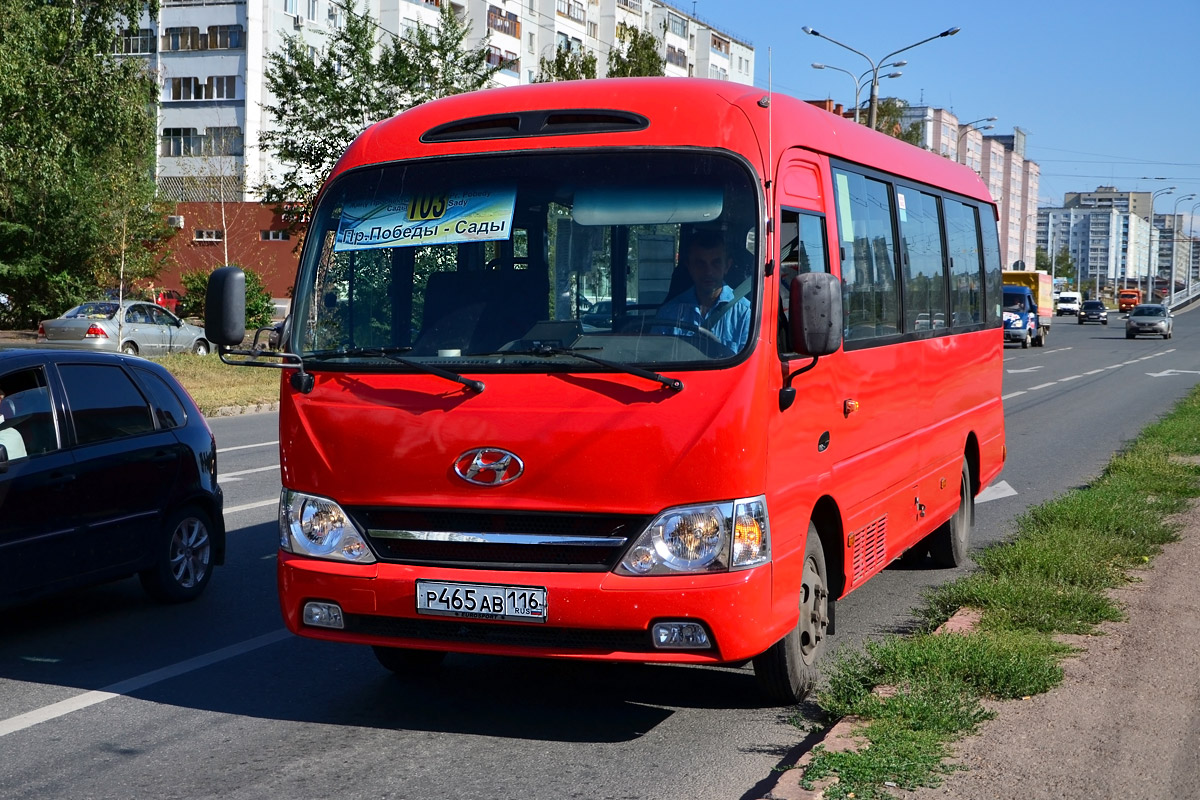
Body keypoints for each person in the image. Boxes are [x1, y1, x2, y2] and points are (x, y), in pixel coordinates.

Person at [654, 229, 751, 352]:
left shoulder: (745, 315)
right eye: (700, 263)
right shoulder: (668, 314)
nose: (708, 272)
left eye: (716, 263)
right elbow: (657, 359)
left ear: (727, 266)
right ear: (689, 266)